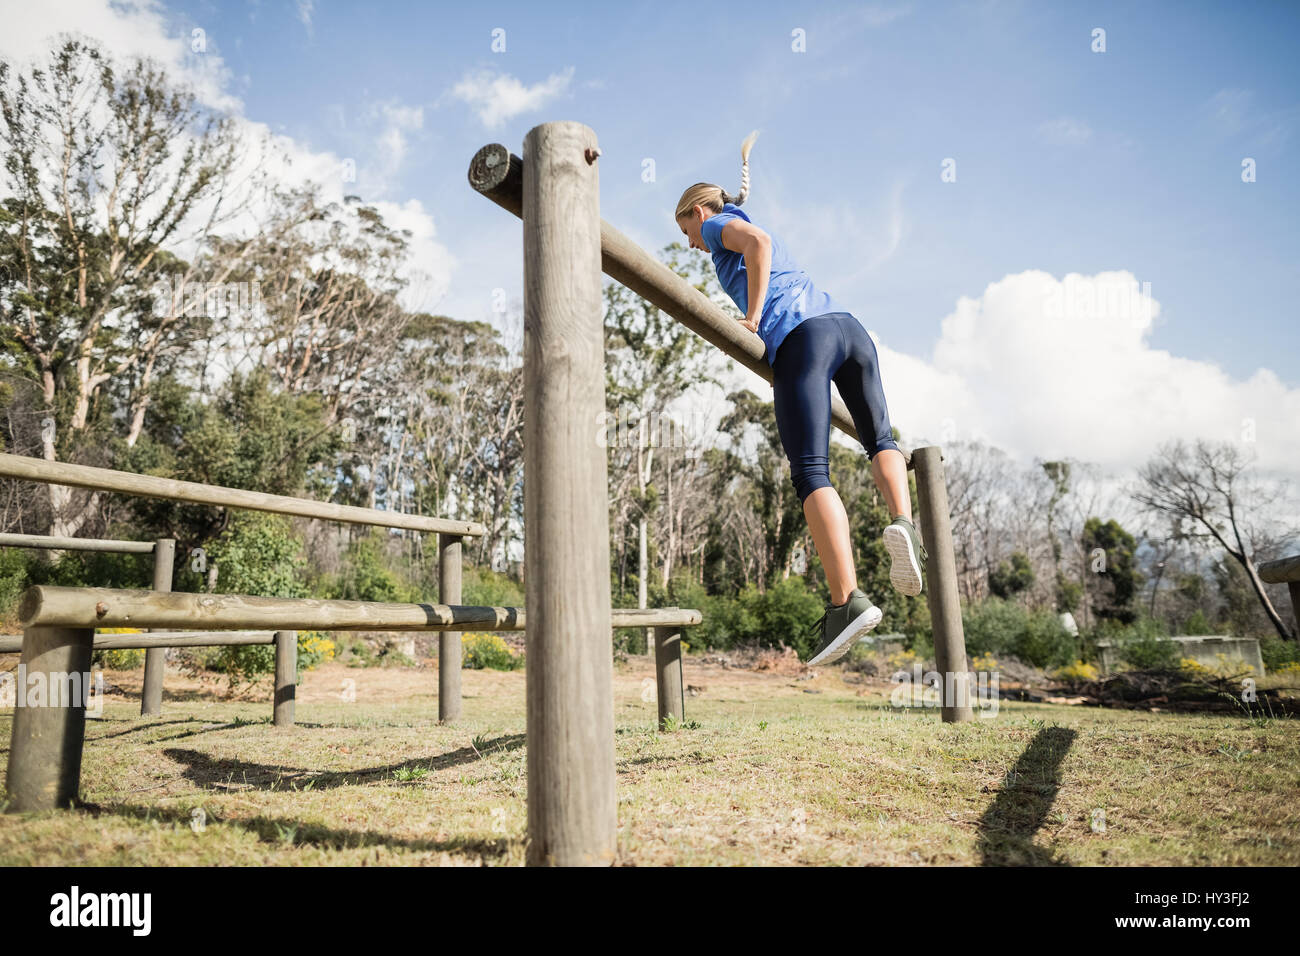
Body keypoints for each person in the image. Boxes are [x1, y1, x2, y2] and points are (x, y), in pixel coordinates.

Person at [675, 130, 928, 666]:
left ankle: (846, 601)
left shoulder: (721, 223)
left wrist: (751, 317)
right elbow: (767, 245)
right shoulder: (739, 227)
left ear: (699, 211)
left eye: (686, 229)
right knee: (879, 437)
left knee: (811, 471)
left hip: (802, 338)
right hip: (850, 330)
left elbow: (757, 247)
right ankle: (904, 522)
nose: (692, 244)